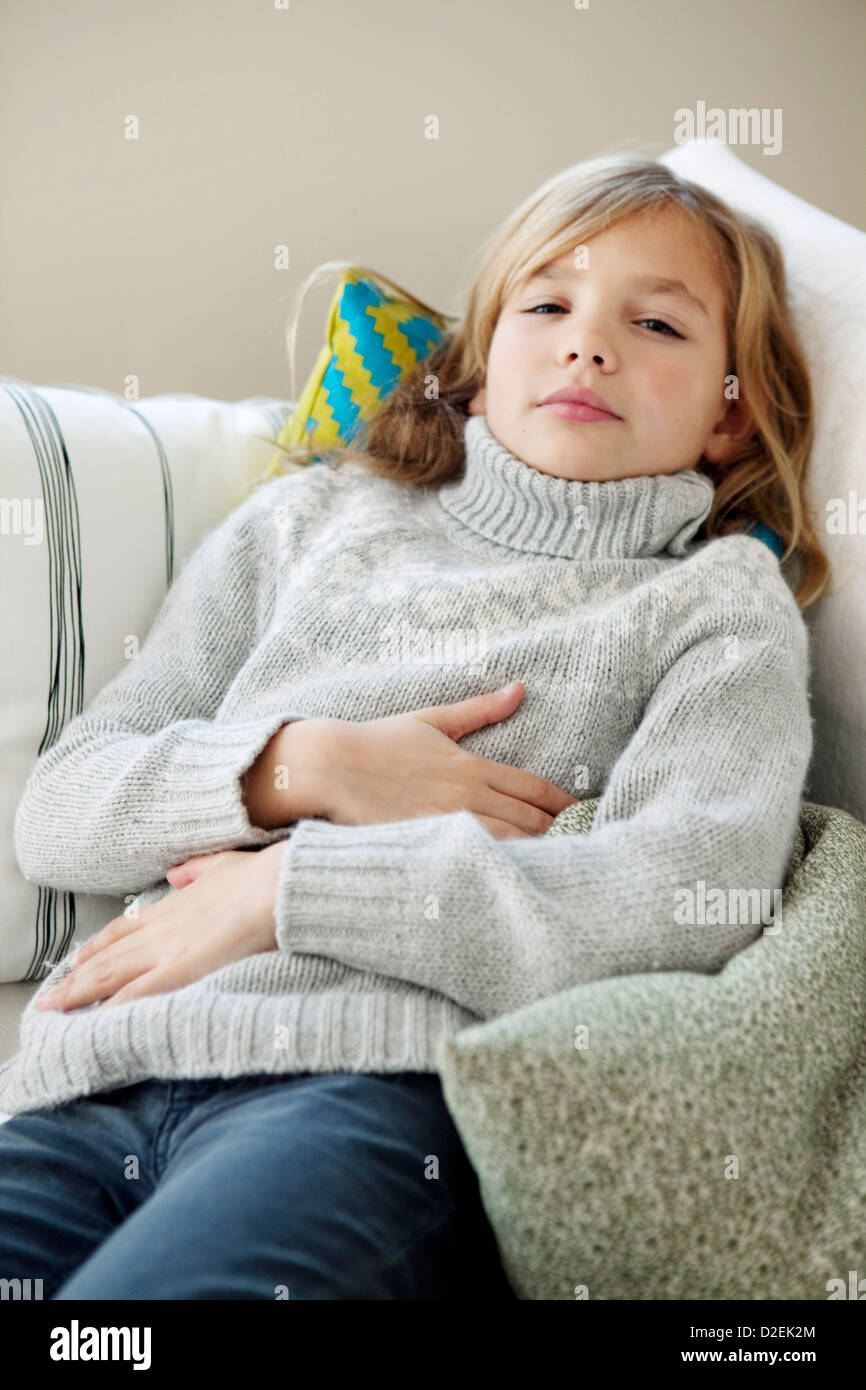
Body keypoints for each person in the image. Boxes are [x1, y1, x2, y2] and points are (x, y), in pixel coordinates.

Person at [0, 153, 829, 1300]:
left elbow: (682, 896)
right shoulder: (310, 518)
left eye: (655, 323)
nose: (588, 345)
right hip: (87, 1074)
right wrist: (309, 765)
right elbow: (59, 808)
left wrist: (287, 888)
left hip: (378, 1090)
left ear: (731, 413)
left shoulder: (715, 606)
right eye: (546, 306)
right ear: (478, 370)